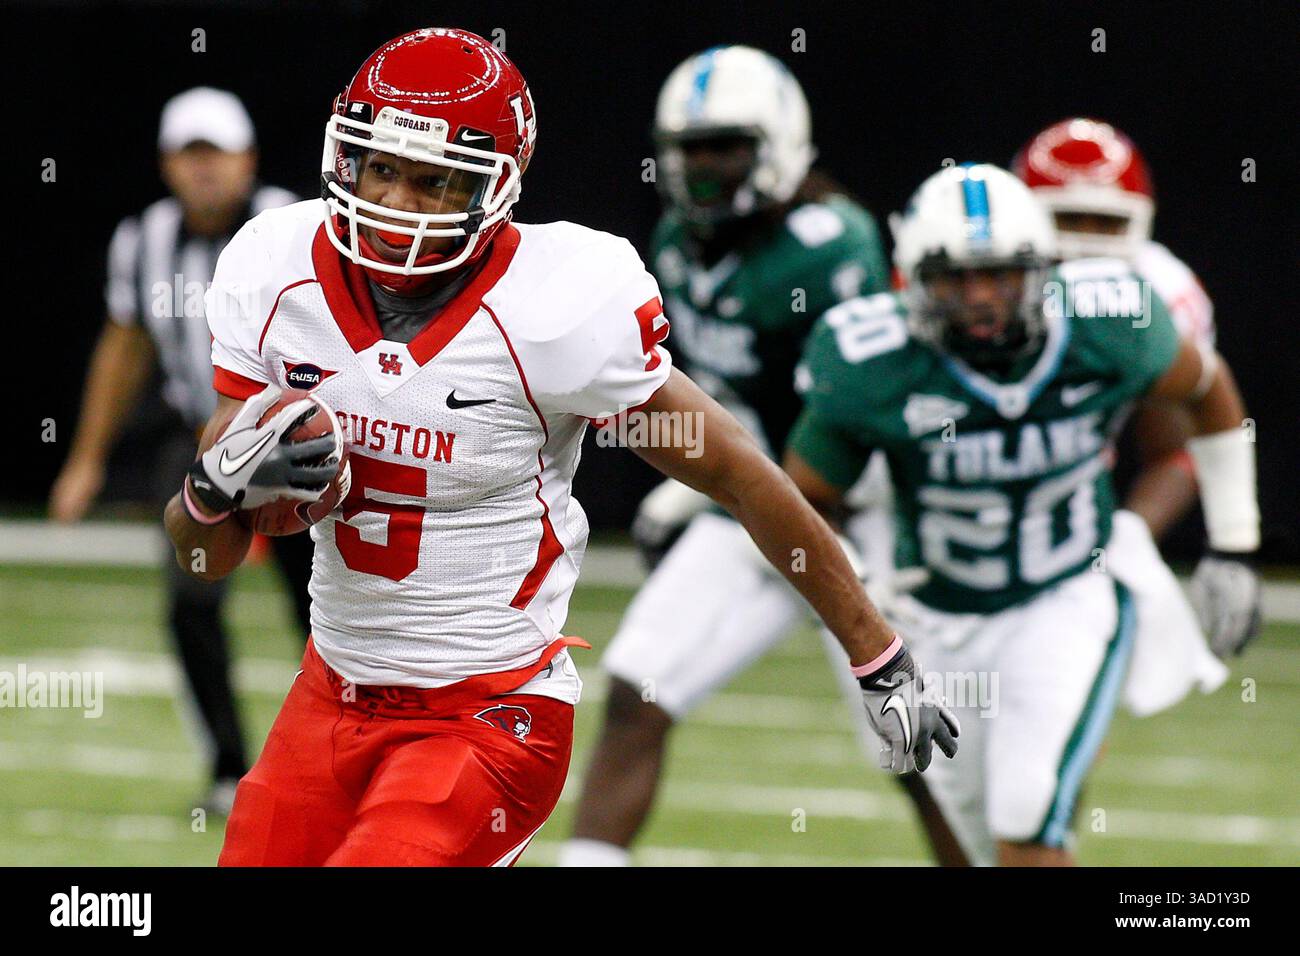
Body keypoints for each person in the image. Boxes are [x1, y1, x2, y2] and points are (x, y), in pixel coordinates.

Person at [161, 28, 957, 867]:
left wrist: (880, 656)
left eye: (432, 181)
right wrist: (210, 494)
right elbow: (205, 558)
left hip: (487, 715)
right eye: (380, 167)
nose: (394, 200)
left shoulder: (558, 310)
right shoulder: (275, 270)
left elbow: (742, 478)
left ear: (494, 186)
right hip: (331, 695)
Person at [783, 163, 1260, 866]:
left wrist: (1234, 540)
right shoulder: (871, 360)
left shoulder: (1108, 322)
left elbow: (1208, 388)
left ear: (1042, 269)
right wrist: (863, 600)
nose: (980, 299)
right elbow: (804, 504)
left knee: (1026, 812)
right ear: (911, 279)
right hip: (936, 620)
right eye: (953, 278)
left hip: (1065, 595)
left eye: (1001, 275)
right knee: (980, 841)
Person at [559, 45, 896, 868]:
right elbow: (708, 394)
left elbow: (850, 414)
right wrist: (694, 485)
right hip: (750, 504)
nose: (704, 169)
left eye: (726, 148)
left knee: (913, 737)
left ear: (778, 145)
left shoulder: (830, 244)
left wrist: (693, 493)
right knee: (638, 687)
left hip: (855, 512)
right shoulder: (677, 239)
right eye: (691, 150)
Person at [48, 87, 310, 814]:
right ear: (167, 165)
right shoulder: (146, 239)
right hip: (207, 439)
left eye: (216, 155)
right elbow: (124, 346)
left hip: (302, 442)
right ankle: (231, 769)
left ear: (247, 158)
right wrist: (85, 459)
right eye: (189, 157)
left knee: (326, 608)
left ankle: (337, 757)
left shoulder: (294, 225)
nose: (204, 172)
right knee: (189, 596)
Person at [1013, 117, 1216, 541]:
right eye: (1068, 219)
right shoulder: (980, 283)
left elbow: (1176, 448)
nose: (1087, 242)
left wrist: (1129, 541)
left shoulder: (1159, 295)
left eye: (1106, 222)